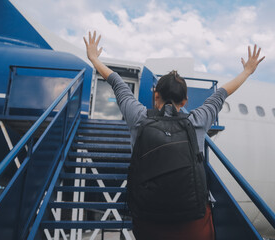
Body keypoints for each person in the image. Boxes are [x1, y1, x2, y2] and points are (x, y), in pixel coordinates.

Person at [84, 31, 264, 240]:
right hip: (193, 226)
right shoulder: (197, 120)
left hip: (149, 224)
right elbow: (222, 93)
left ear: (156, 95)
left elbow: (118, 83)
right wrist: (248, 71)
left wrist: (94, 58)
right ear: (185, 101)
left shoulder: (139, 118)